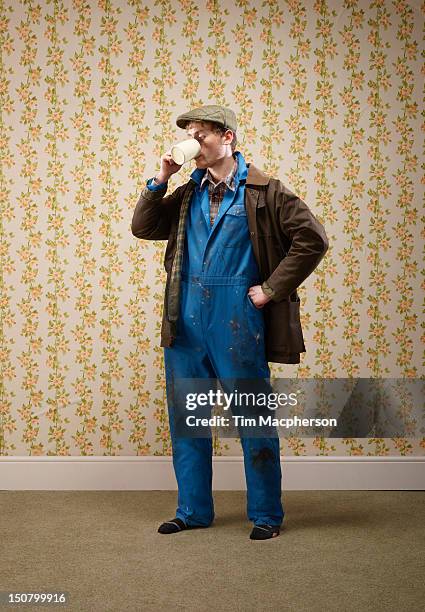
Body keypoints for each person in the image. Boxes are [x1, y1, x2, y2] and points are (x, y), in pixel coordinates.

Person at [131, 105, 329, 540]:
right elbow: (143, 228)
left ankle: (266, 514)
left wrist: (271, 289)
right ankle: (192, 510)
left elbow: (313, 239)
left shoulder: (265, 190)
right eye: (191, 136)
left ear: (228, 138)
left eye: (202, 135)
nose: (194, 144)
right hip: (185, 320)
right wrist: (161, 178)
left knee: (253, 419)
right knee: (188, 420)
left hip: (237, 321)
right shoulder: (187, 193)